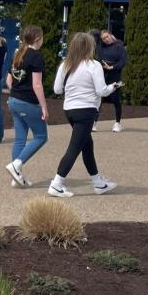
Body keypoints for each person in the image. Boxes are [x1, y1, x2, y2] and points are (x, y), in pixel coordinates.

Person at [48, 32, 118, 198]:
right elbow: (101, 91)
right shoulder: (93, 65)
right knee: (75, 148)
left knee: (87, 145)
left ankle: (98, 183)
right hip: (86, 110)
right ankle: (57, 183)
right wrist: (113, 87)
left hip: (69, 110)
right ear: (89, 47)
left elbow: (57, 89)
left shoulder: (65, 64)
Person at [5, 25, 48, 187]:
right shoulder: (36, 56)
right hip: (28, 103)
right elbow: (37, 85)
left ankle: (16, 176)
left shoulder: (18, 54)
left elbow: (8, 80)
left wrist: (16, 93)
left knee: (20, 140)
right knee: (41, 137)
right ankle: (16, 166)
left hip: (13, 101)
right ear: (38, 39)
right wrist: (44, 107)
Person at [93, 29, 127, 133]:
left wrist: (112, 67)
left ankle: (117, 123)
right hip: (103, 75)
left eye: (107, 37)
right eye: (103, 38)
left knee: (116, 99)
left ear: (111, 35)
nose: (106, 39)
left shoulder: (119, 46)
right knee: (99, 99)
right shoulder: (100, 47)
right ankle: (94, 122)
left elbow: (123, 61)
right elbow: (94, 34)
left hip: (115, 75)